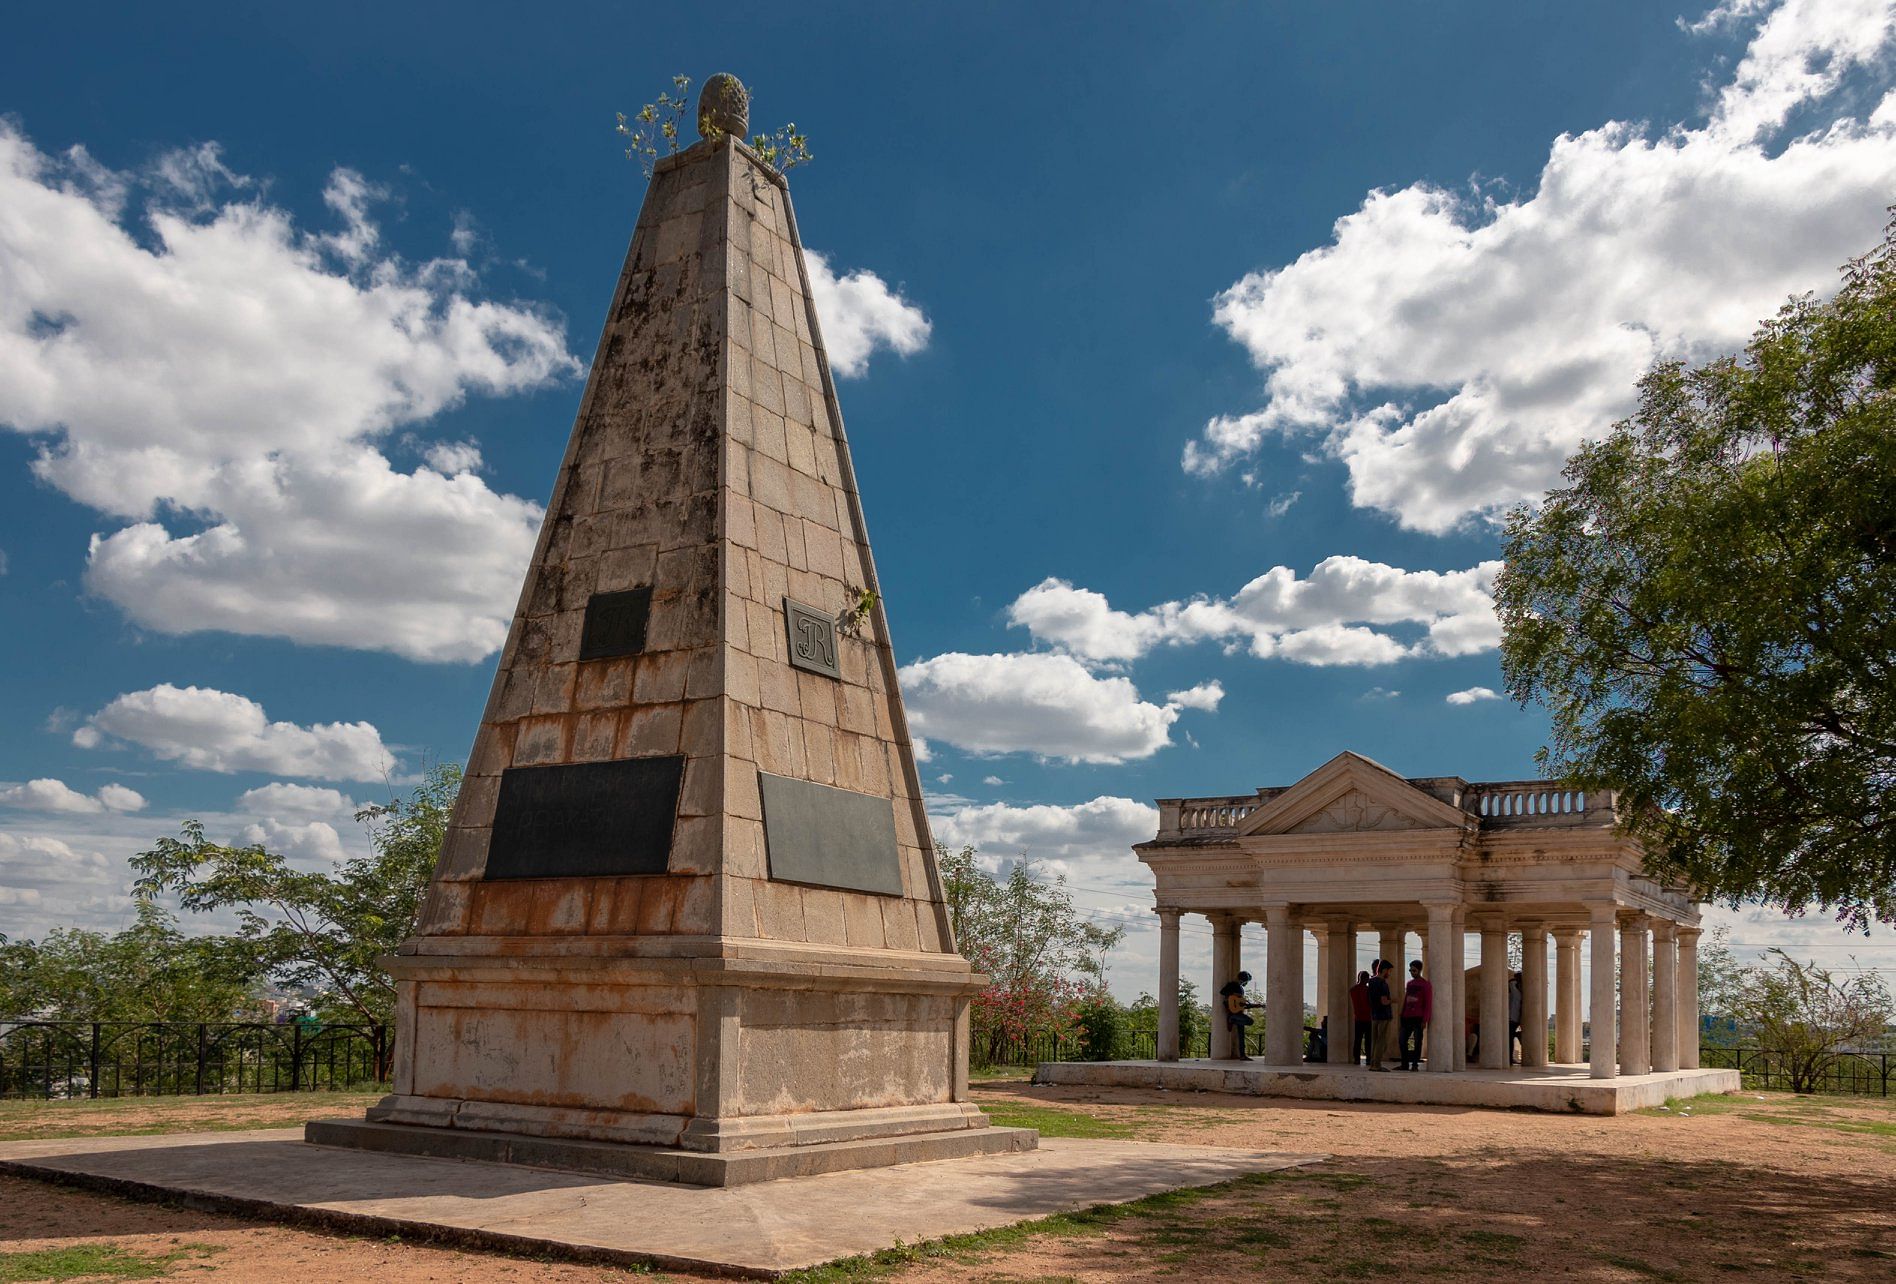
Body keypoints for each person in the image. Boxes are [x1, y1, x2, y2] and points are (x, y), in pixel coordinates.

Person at [1218, 971, 1263, 1060]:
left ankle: (1242, 1055)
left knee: (1241, 1035)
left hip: (1239, 1013)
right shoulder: (1233, 984)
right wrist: (1233, 994)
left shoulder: (1240, 988)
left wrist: (1257, 1005)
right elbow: (1222, 992)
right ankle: (1231, 1019)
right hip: (1233, 1013)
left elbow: (1240, 1003)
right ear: (1243, 980)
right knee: (1250, 1021)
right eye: (1246, 981)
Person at [1400, 959, 1431, 1070]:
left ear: (1419, 970)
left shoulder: (1425, 985)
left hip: (1418, 1017)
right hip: (1406, 1017)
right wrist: (1402, 1014)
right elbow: (1406, 1000)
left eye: (1414, 970)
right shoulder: (1409, 984)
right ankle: (1404, 1063)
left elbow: (1428, 1003)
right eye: (1410, 970)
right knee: (1402, 1040)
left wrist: (1425, 1019)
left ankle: (1414, 1064)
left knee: (1418, 1041)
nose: (1412, 972)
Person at [1366, 961, 1395, 1070]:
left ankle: (1373, 1063)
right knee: (1382, 1041)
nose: (1389, 973)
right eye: (1389, 971)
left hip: (1374, 1015)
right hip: (1384, 1015)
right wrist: (1393, 1000)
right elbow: (1384, 1001)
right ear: (1384, 970)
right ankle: (1377, 1065)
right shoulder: (1383, 983)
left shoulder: (1371, 982)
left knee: (1375, 1040)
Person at [1348, 970, 1372, 1066]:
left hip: (1358, 1018)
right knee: (1368, 1040)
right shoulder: (1368, 990)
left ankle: (1356, 1059)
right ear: (1366, 979)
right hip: (1368, 1018)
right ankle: (1368, 1059)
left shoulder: (1353, 989)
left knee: (1357, 1040)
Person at [1508, 971, 1524, 1065]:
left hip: (1515, 1018)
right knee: (1510, 1039)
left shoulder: (1517, 993)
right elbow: (1511, 983)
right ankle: (1509, 1058)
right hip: (1512, 1019)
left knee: (1512, 1038)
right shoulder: (1515, 992)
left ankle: (1510, 1058)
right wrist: (1517, 980)